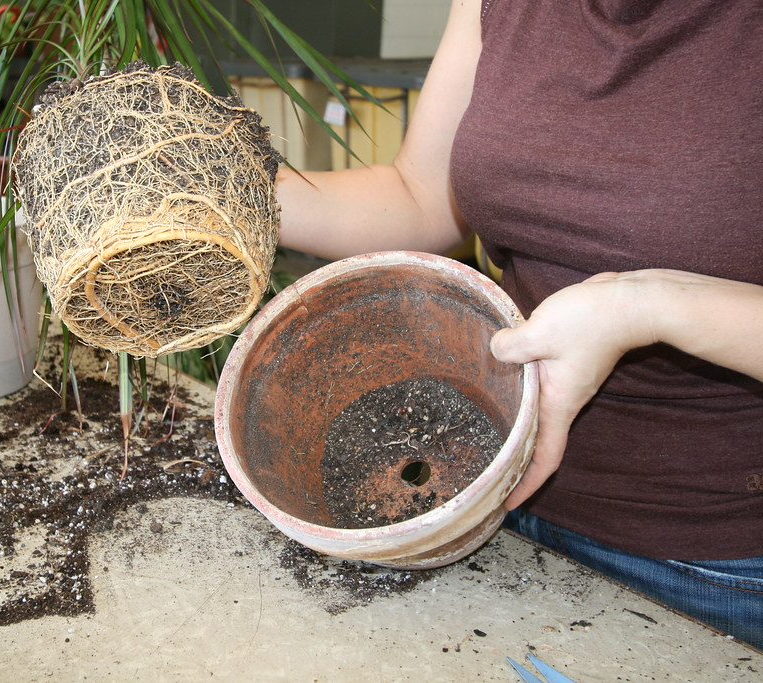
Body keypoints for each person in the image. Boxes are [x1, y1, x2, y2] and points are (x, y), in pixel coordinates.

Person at [275, 0, 763, 648]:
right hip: (481, 499)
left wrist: (648, 305)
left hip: (704, 564)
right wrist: (221, 186)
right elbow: (420, 194)